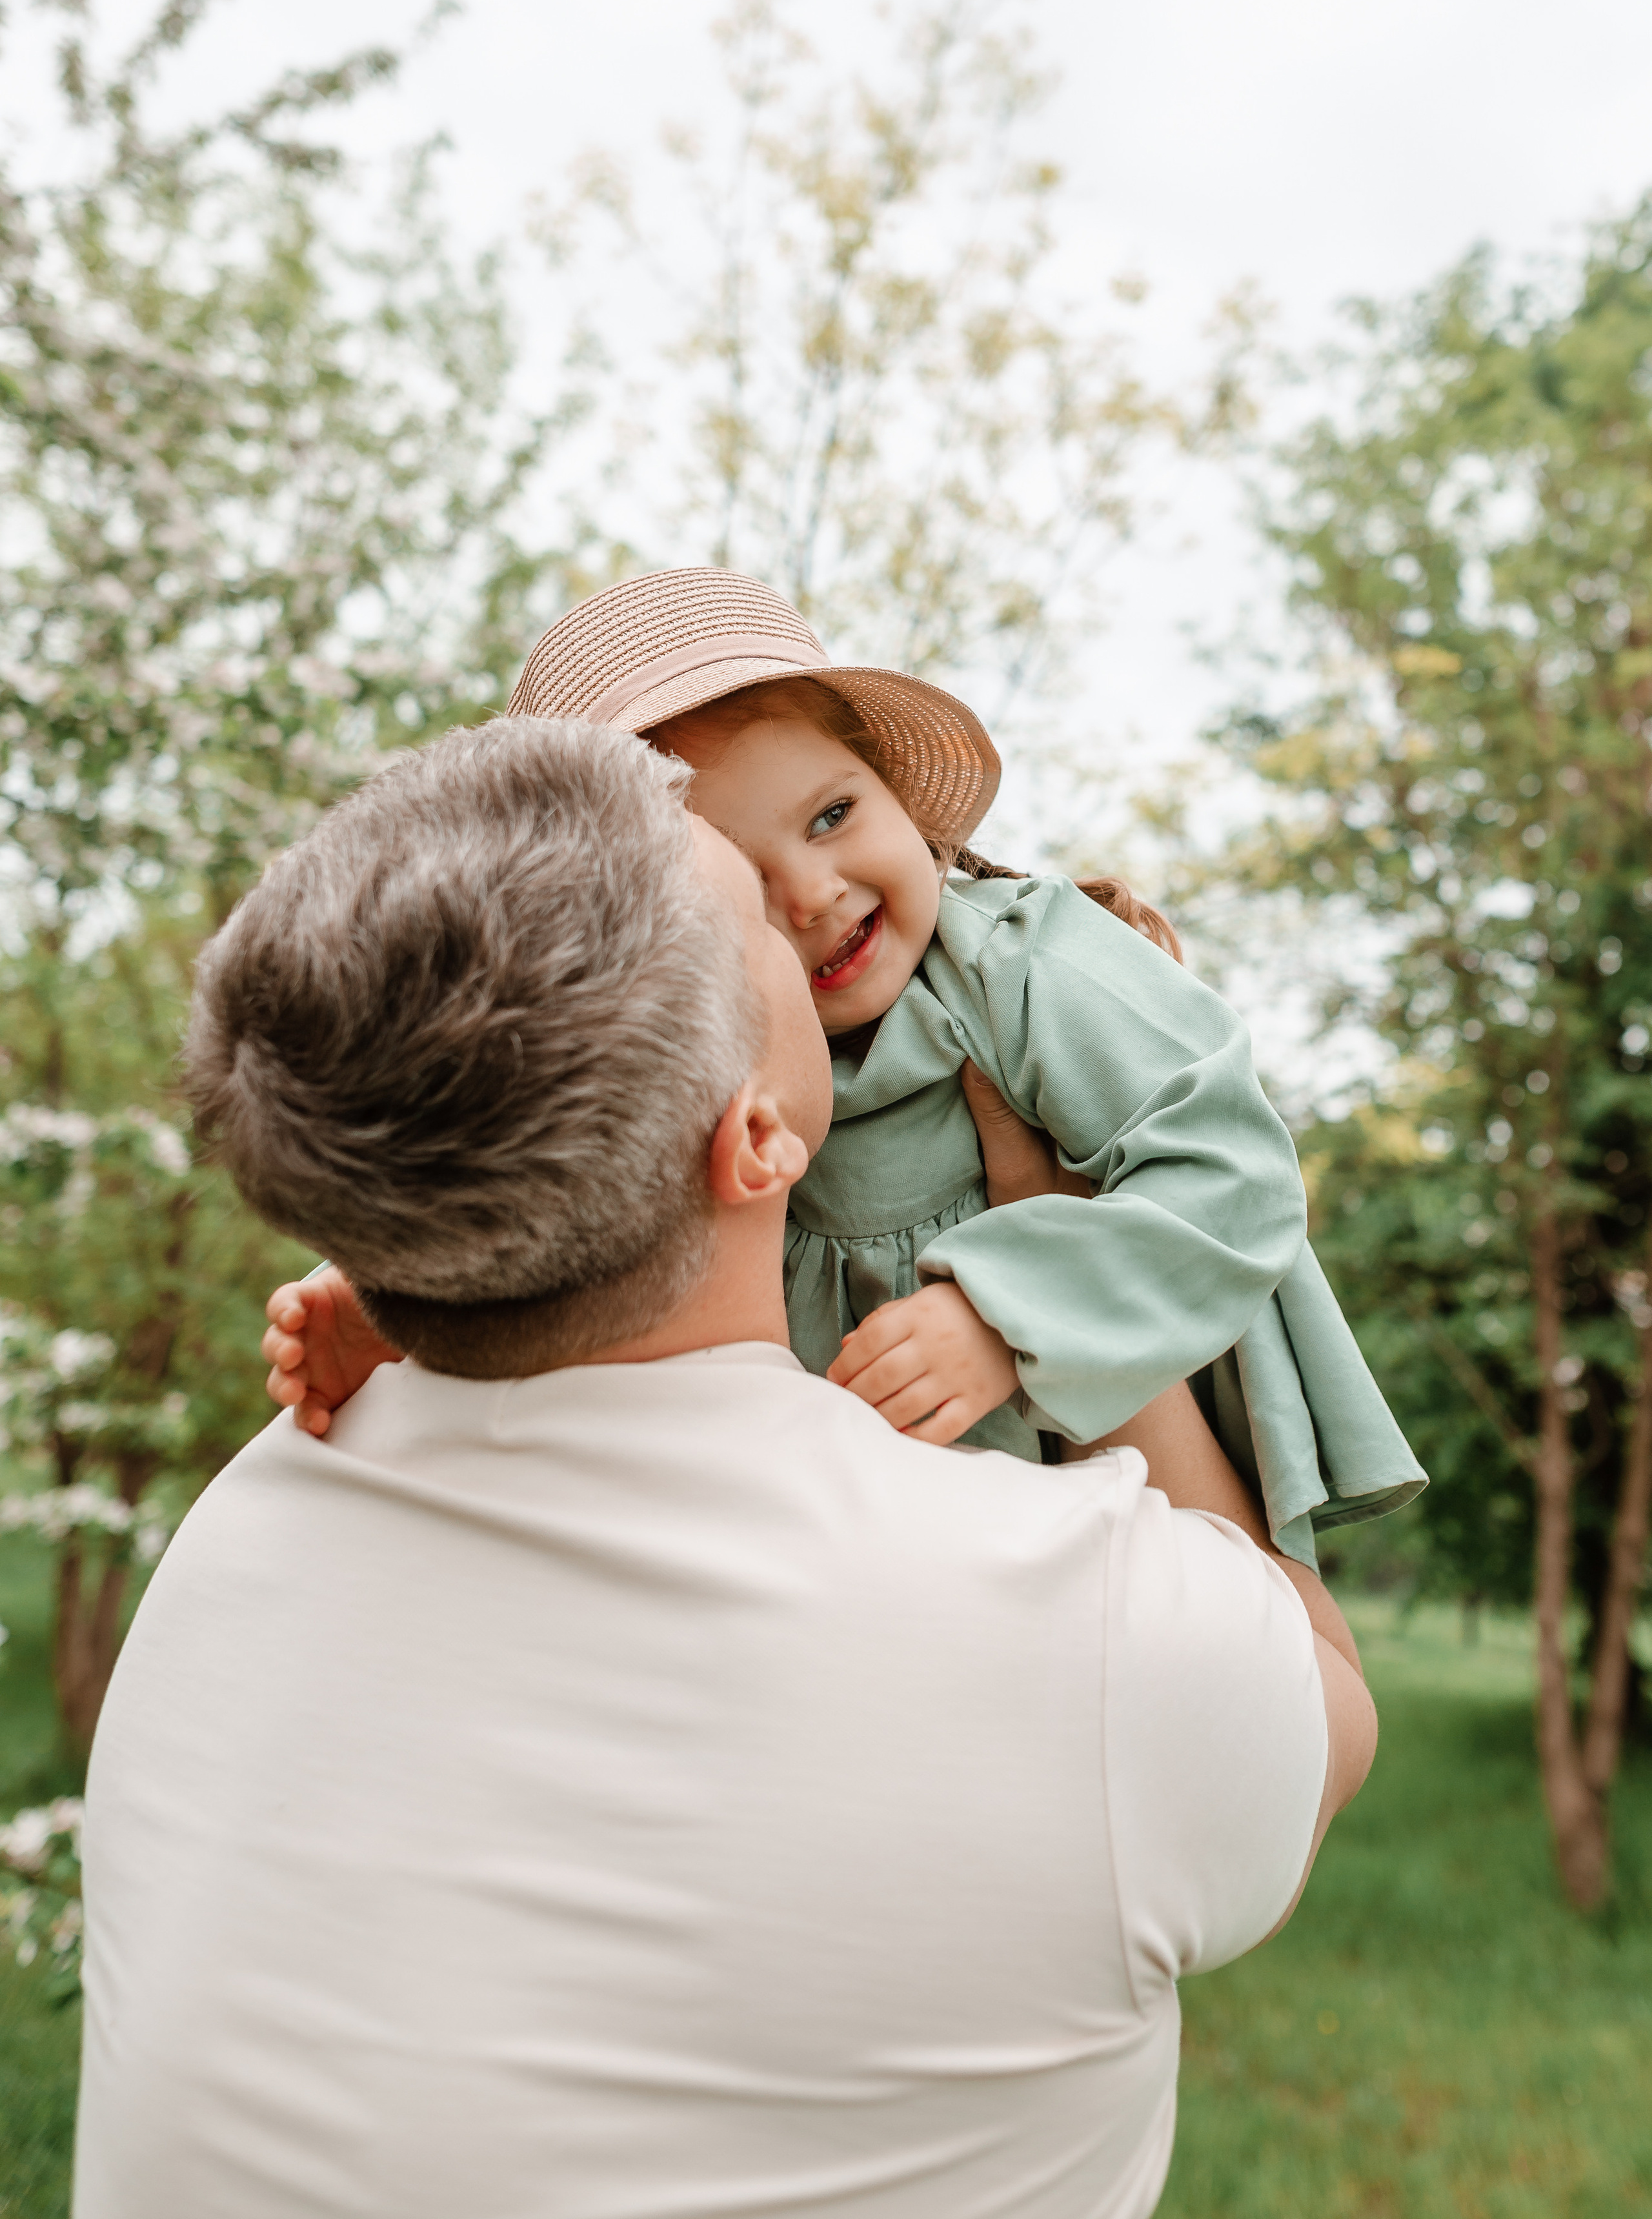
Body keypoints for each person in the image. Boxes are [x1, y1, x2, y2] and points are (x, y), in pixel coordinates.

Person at [75, 715, 1376, 2219]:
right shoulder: (1074, 1632)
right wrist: (1065, 1242)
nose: (804, 907)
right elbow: (1321, 1702)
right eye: (748, 912)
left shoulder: (235, 1540)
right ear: (756, 1139)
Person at [268, 567, 1423, 1566]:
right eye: (740, 879)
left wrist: (1001, 1317)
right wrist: (396, 1297)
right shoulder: (684, 1057)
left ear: (893, 787)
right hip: (825, 1521)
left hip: (1095, 1462)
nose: (814, 895)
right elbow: (558, 1186)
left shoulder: (1017, 967)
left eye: (830, 815)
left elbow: (1232, 1167)